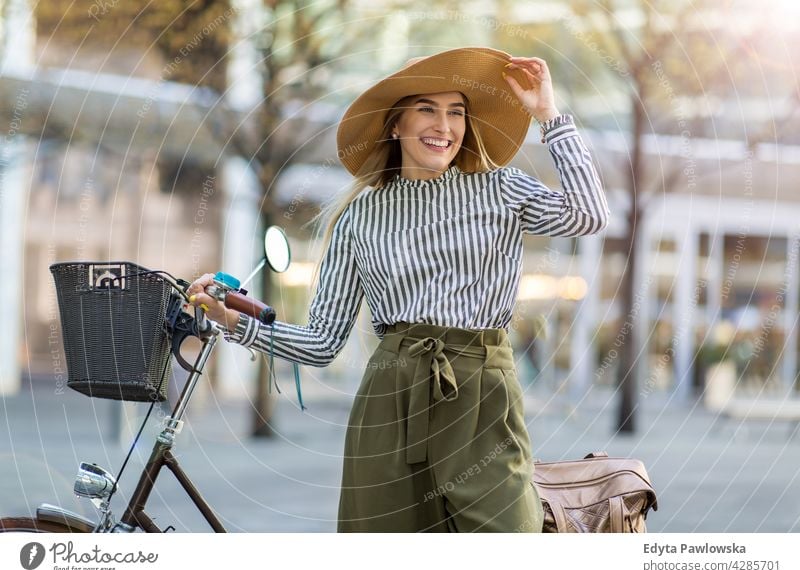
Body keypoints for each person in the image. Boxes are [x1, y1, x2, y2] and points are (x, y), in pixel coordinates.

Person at [187, 47, 609, 533]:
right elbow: (323, 342)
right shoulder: (360, 218)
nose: (444, 126)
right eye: (427, 109)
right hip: (389, 403)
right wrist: (231, 323)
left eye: (456, 113)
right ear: (395, 125)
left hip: (482, 397)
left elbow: (589, 214)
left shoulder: (502, 188)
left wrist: (548, 114)